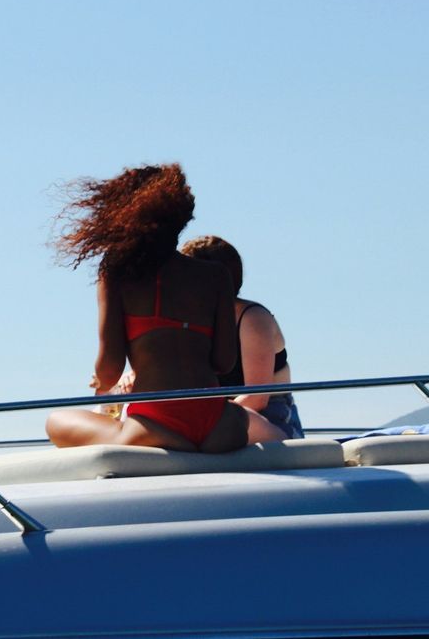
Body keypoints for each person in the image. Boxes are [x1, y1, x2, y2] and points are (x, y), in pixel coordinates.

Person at [45, 164, 286, 453]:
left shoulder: (117, 273)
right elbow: (223, 362)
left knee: (56, 420)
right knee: (225, 416)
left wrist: (102, 377)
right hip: (220, 426)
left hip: (156, 427)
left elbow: (110, 371)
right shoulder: (216, 276)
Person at [180, 235, 304, 439]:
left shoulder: (253, 319)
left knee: (242, 419)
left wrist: (203, 420)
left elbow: (256, 399)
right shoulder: (187, 321)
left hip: (267, 421)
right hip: (213, 416)